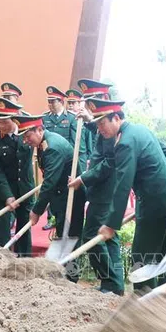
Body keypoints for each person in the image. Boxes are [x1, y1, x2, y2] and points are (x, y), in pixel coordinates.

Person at [84, 98, 166, 293]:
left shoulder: (125, 142)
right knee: (163, 255)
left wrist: (111, 224)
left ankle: (142, 307)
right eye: (97, 124)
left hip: (153, 201)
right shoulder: (140, 130)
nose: (100, 129)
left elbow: (123, 184)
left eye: (102, 123)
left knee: (141, 257)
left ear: (116, 118)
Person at [68, 79, 125, 296]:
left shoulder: (113, 127)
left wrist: (83, 178)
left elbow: (108, 163)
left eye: (92, 100)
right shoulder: (104, 122)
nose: (89, 105)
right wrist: (90, 120)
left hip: (105, 189)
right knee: (109, 237)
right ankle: (115, 284)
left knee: (93, 235)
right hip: (104, 189)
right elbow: (100, 129)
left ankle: (109, 281)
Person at [14, 114, 86, 282]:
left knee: (70, 236)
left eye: (27, 135)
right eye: (23, 137)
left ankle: (71, 278)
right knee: (63, 234)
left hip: (70, 196)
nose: (25, 140)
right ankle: (63, 273)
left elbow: (49, 183)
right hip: (60, 194)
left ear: (39, 130)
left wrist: (36, 211)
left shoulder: (52, 147)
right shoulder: (43, 143)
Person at [0, 97, 35, 256]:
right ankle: (0, 260)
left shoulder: (26, 133)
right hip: (2, 189)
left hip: (24, 188)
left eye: (5, 122)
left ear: (15, 119)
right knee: (3, 227)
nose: (0, 126)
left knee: (24, 228)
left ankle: (24, 262)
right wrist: (7, 196)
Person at [41, 85, 87, 231]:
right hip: (51, 164)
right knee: (52, 192)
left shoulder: (72, 119)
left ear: (61, 101)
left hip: (67, 165)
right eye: (49, 101)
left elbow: (75, 145)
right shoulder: (44, 118)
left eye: (53, 101)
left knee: (68, 200)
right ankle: (53, 220)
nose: (50, 105)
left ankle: (67, 228)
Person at [66, 88, 93, 169]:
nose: (70, 105)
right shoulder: (65, 119)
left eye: (73, 103)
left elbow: (90, 139)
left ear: (79, 104)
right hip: (69, 155)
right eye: (69, 103)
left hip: (81, 155)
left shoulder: (84, 119)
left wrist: (89, 157)